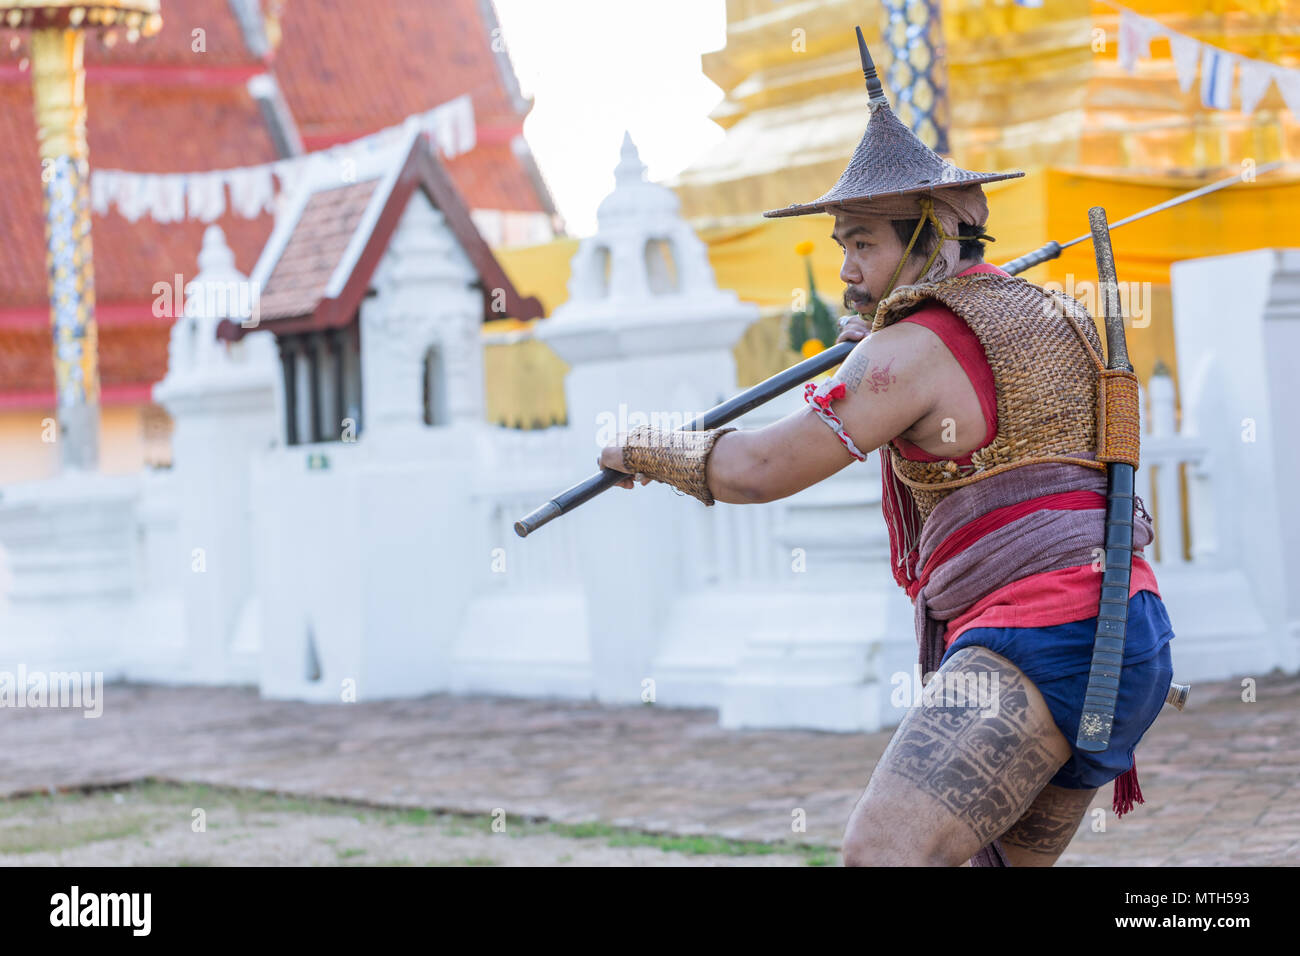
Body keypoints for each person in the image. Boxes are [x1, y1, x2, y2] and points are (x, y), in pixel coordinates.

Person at [598, 33, 1175, 867]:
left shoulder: (907, 350)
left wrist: (650, 447)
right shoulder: (1051, 315)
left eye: (864, 241)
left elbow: (761, 470)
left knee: (883, 856)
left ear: (931, 234)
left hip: (1042, 637)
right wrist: (883, 338)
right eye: (843, 245)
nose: (848, 269)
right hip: (1129, 633)